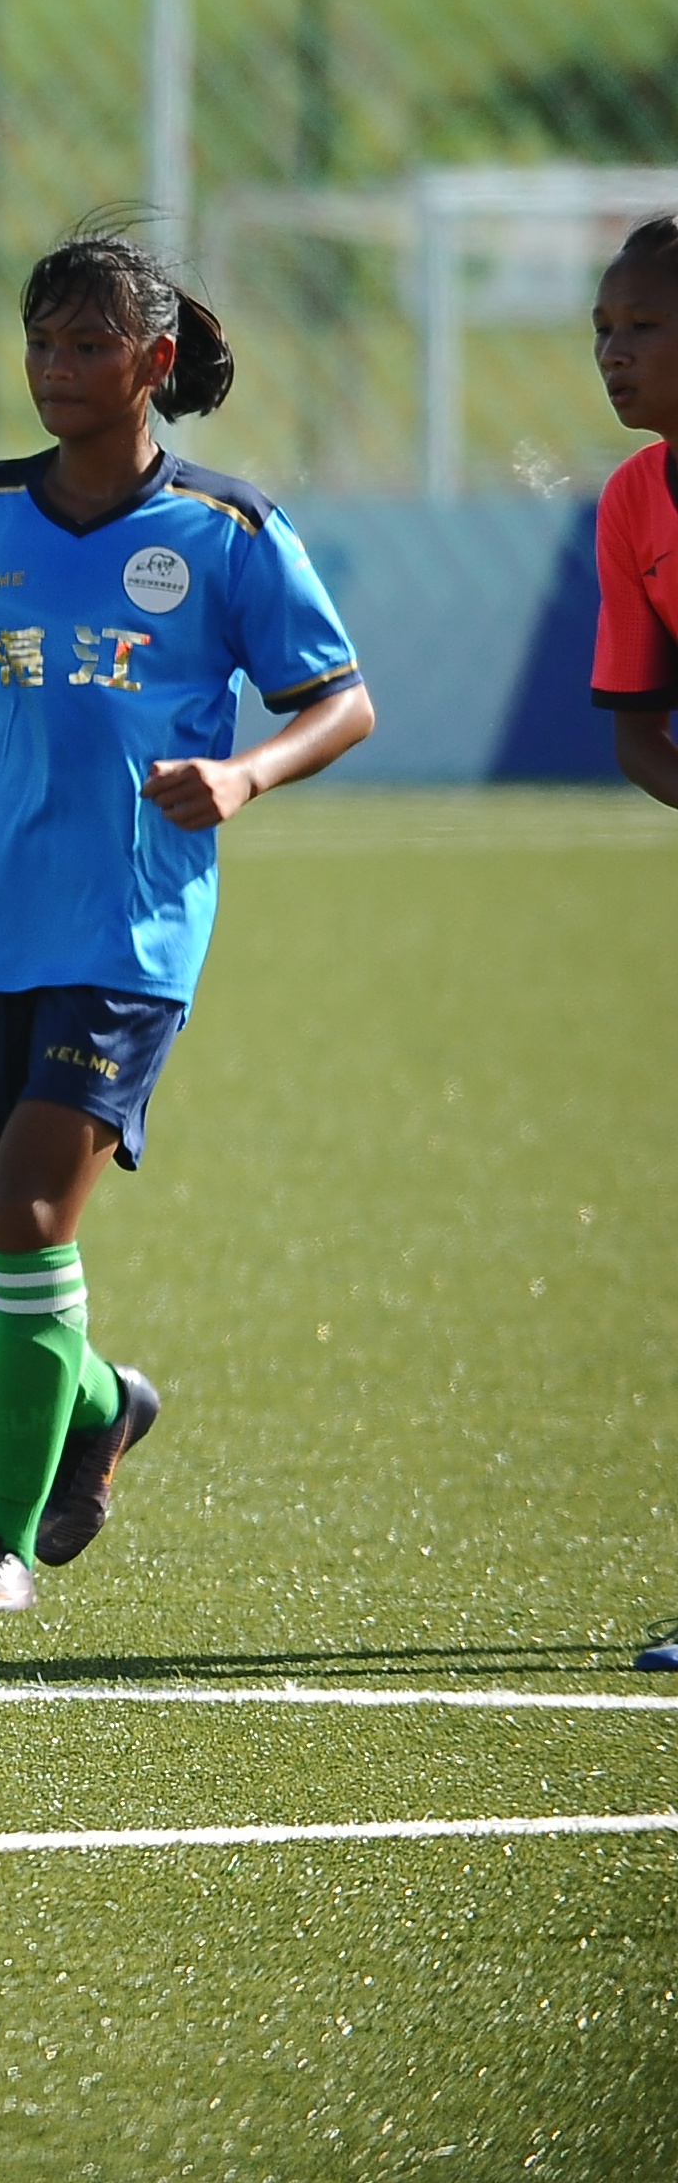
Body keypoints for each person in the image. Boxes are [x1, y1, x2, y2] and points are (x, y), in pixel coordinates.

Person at [0, 234, 371, 1613]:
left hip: (127, 931)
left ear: (154, 362)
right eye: (40, 343)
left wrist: (243, 775)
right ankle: (101, 1400)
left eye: (88, 345)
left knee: (28, 1218)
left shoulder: (228, 531)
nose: (55, 368)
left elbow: (340, 700)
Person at [576, 221, 678, 1671]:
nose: (612, 353)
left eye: (641, 327)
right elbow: (638, 732)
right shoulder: (632, 500)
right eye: (601, 329)